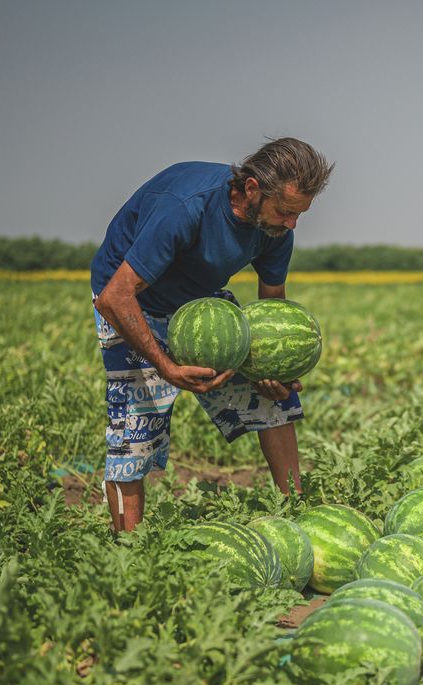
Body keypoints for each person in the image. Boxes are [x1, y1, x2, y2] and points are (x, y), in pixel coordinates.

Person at [90, 137, 333, 531]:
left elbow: (272, 306)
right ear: (252, 188)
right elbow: (115, 297)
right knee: (134, 429)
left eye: (299, 214)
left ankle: (295, 516)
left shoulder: (274, 231)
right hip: (132, 301)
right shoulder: (185, 207)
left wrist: (275, 373)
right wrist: (167, 367)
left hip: (201, 299)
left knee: (274, 403)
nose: (292, 224)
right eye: (286, 211)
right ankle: (127, 553)